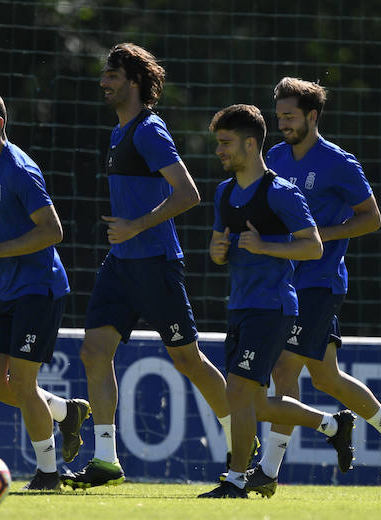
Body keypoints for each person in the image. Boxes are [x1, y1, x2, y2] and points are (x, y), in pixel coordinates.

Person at [60, 43, 239, 489]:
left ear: (134, 83)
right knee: (93, 352)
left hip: (156, 265)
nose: (104, 82)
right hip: (121, 265)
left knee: (188, 360)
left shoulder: (148, 130)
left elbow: (188, 193)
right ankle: (106, 461)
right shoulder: (118, 132)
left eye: (113, 75)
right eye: (105, 74)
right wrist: (129, 233)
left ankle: (241, 438)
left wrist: (136, 225)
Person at [244, 77, 381, 497]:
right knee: (326, 378)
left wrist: (320, 234)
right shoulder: (274, 156)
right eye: (279, 116)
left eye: (290, 117)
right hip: (287, 279)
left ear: (312, 116)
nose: (283, 124)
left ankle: (267, 471)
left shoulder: (339, 163)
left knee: (283, 371)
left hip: (319, 282)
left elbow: (372, 217)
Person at [198, 104, 355, 499]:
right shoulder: (224, 192)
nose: (219, 150)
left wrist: (265, 245)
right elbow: (221, 250)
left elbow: (314, 247)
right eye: (218, 142)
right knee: (254, 404)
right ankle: (332, 425)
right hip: (240, 306)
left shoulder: (282, 193)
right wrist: (217, 250)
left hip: (274, 308)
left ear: (251, 145)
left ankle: (236, 480)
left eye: (225, 143)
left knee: (236, 393)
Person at [0, 88, 91, 491]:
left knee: (23, 383)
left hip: (39, 289)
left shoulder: (21, 170)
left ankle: (48, 474)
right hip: (6, 289)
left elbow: (53, 232)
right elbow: (7, 232)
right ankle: (65, 413)